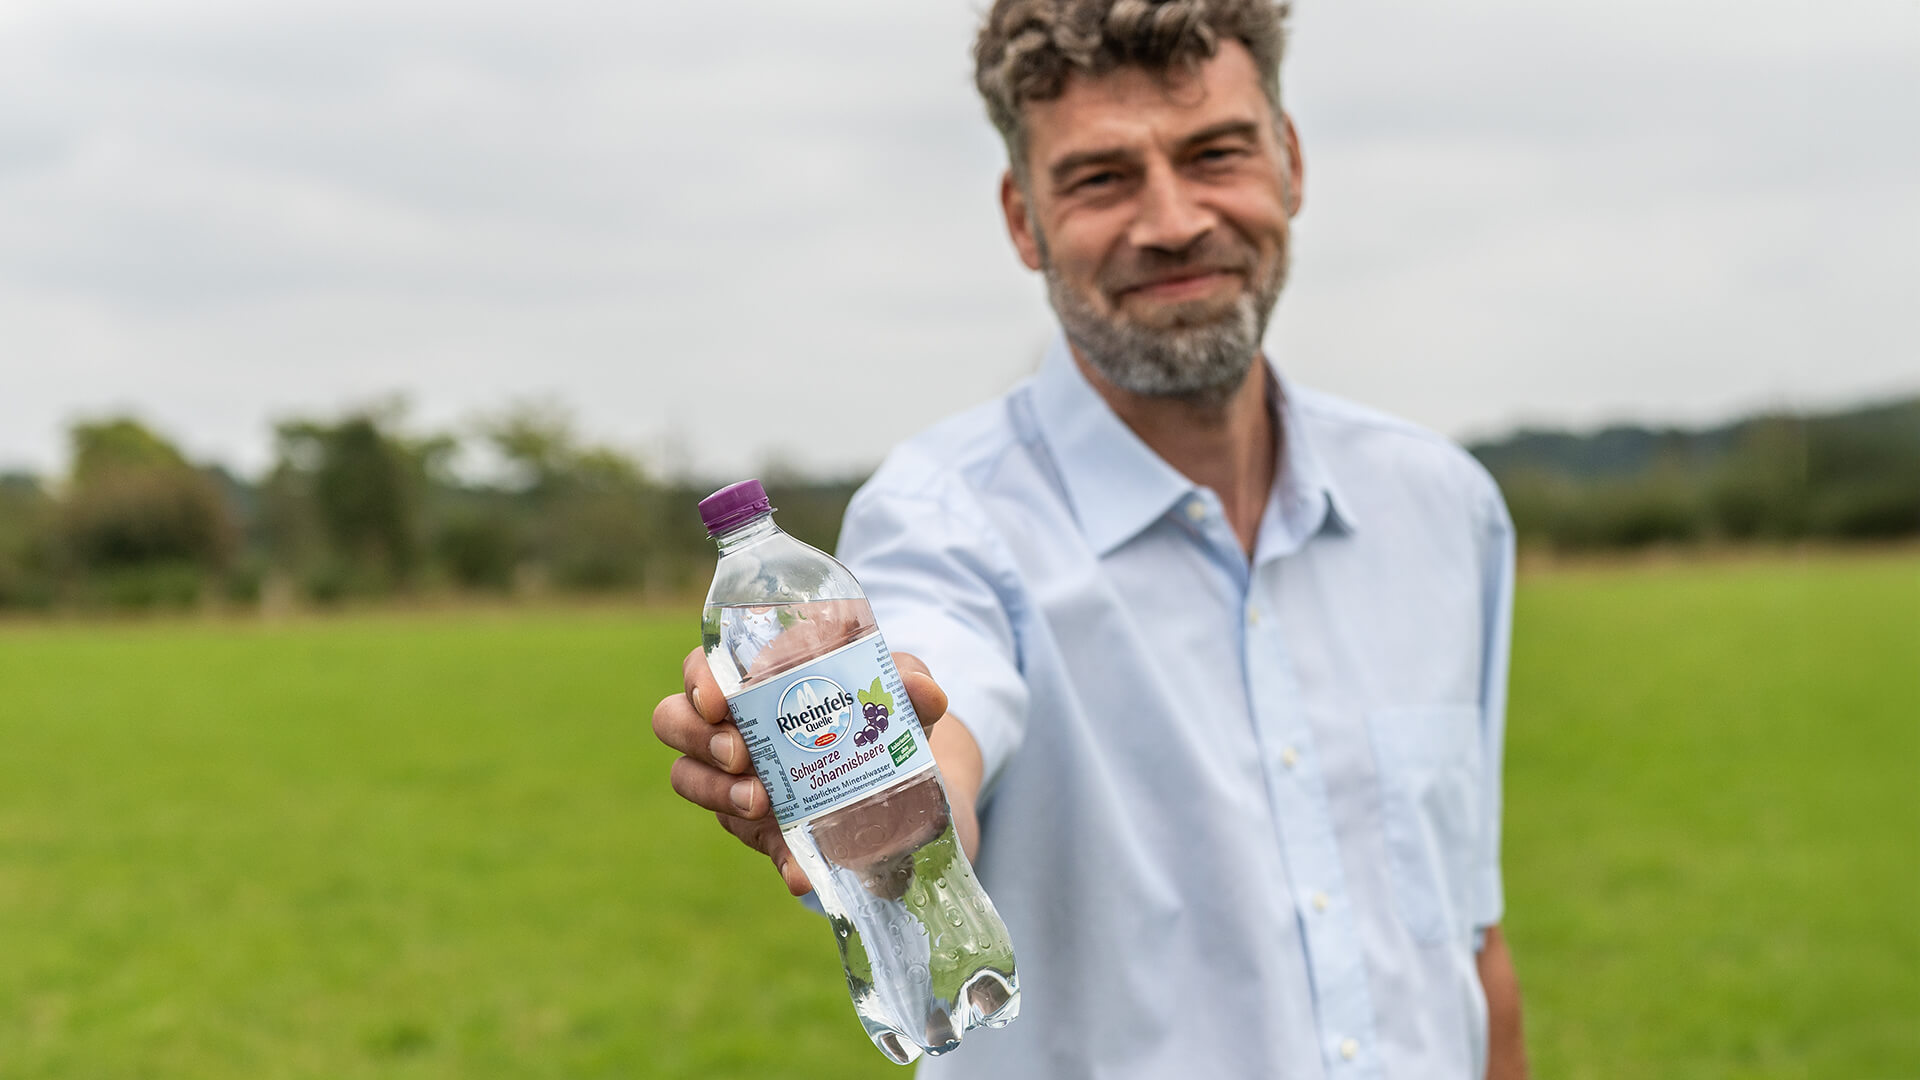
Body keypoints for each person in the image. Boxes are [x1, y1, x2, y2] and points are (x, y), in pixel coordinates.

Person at [651, 2, 1529, 1076]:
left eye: (1215, 152)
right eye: (1102, 178)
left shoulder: (1443, 507)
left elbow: (1470, 952)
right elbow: (939, 707)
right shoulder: (943, 520)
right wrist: (891, 793)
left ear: (1289, 162)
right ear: (1023, 218)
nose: (1171, 220)